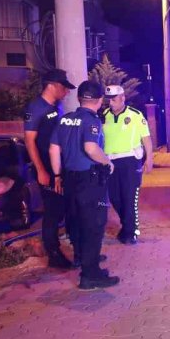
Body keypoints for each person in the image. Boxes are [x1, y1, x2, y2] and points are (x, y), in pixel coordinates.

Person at [49, 81, 119, 290]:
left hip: (69, 178)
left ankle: (82, 259)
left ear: (80, 98)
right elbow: (90, 148)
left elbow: (54, 149)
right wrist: (107, 161)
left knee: (77, 222)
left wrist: (57, 175)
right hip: (89, 180)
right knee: (94, 226)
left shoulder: (65, 120)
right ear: (99, 101)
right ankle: (90, 275)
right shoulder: (92, 121)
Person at [24, 69, 77, 268]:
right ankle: (53, 254)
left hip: (60, 167)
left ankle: (78, 249)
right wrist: (41, 170)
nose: (67, 91)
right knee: (53, 211)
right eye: (64, 87)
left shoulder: (58, 106)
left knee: (68, 207)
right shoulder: (36, 107)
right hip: (46, 167)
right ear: (52, 85)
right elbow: (30, 141)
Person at [101, 85, 154, 245]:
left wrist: (149, 158)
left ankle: (130, 232)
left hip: (130, 160)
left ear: (123, 98)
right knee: (115, 197)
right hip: (110, 162)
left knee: (129, 197)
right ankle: (127, 225)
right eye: (109, 99)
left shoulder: (135, 115)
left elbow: (146, 138)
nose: (111, 103)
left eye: (114, 99)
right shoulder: (104, 115)